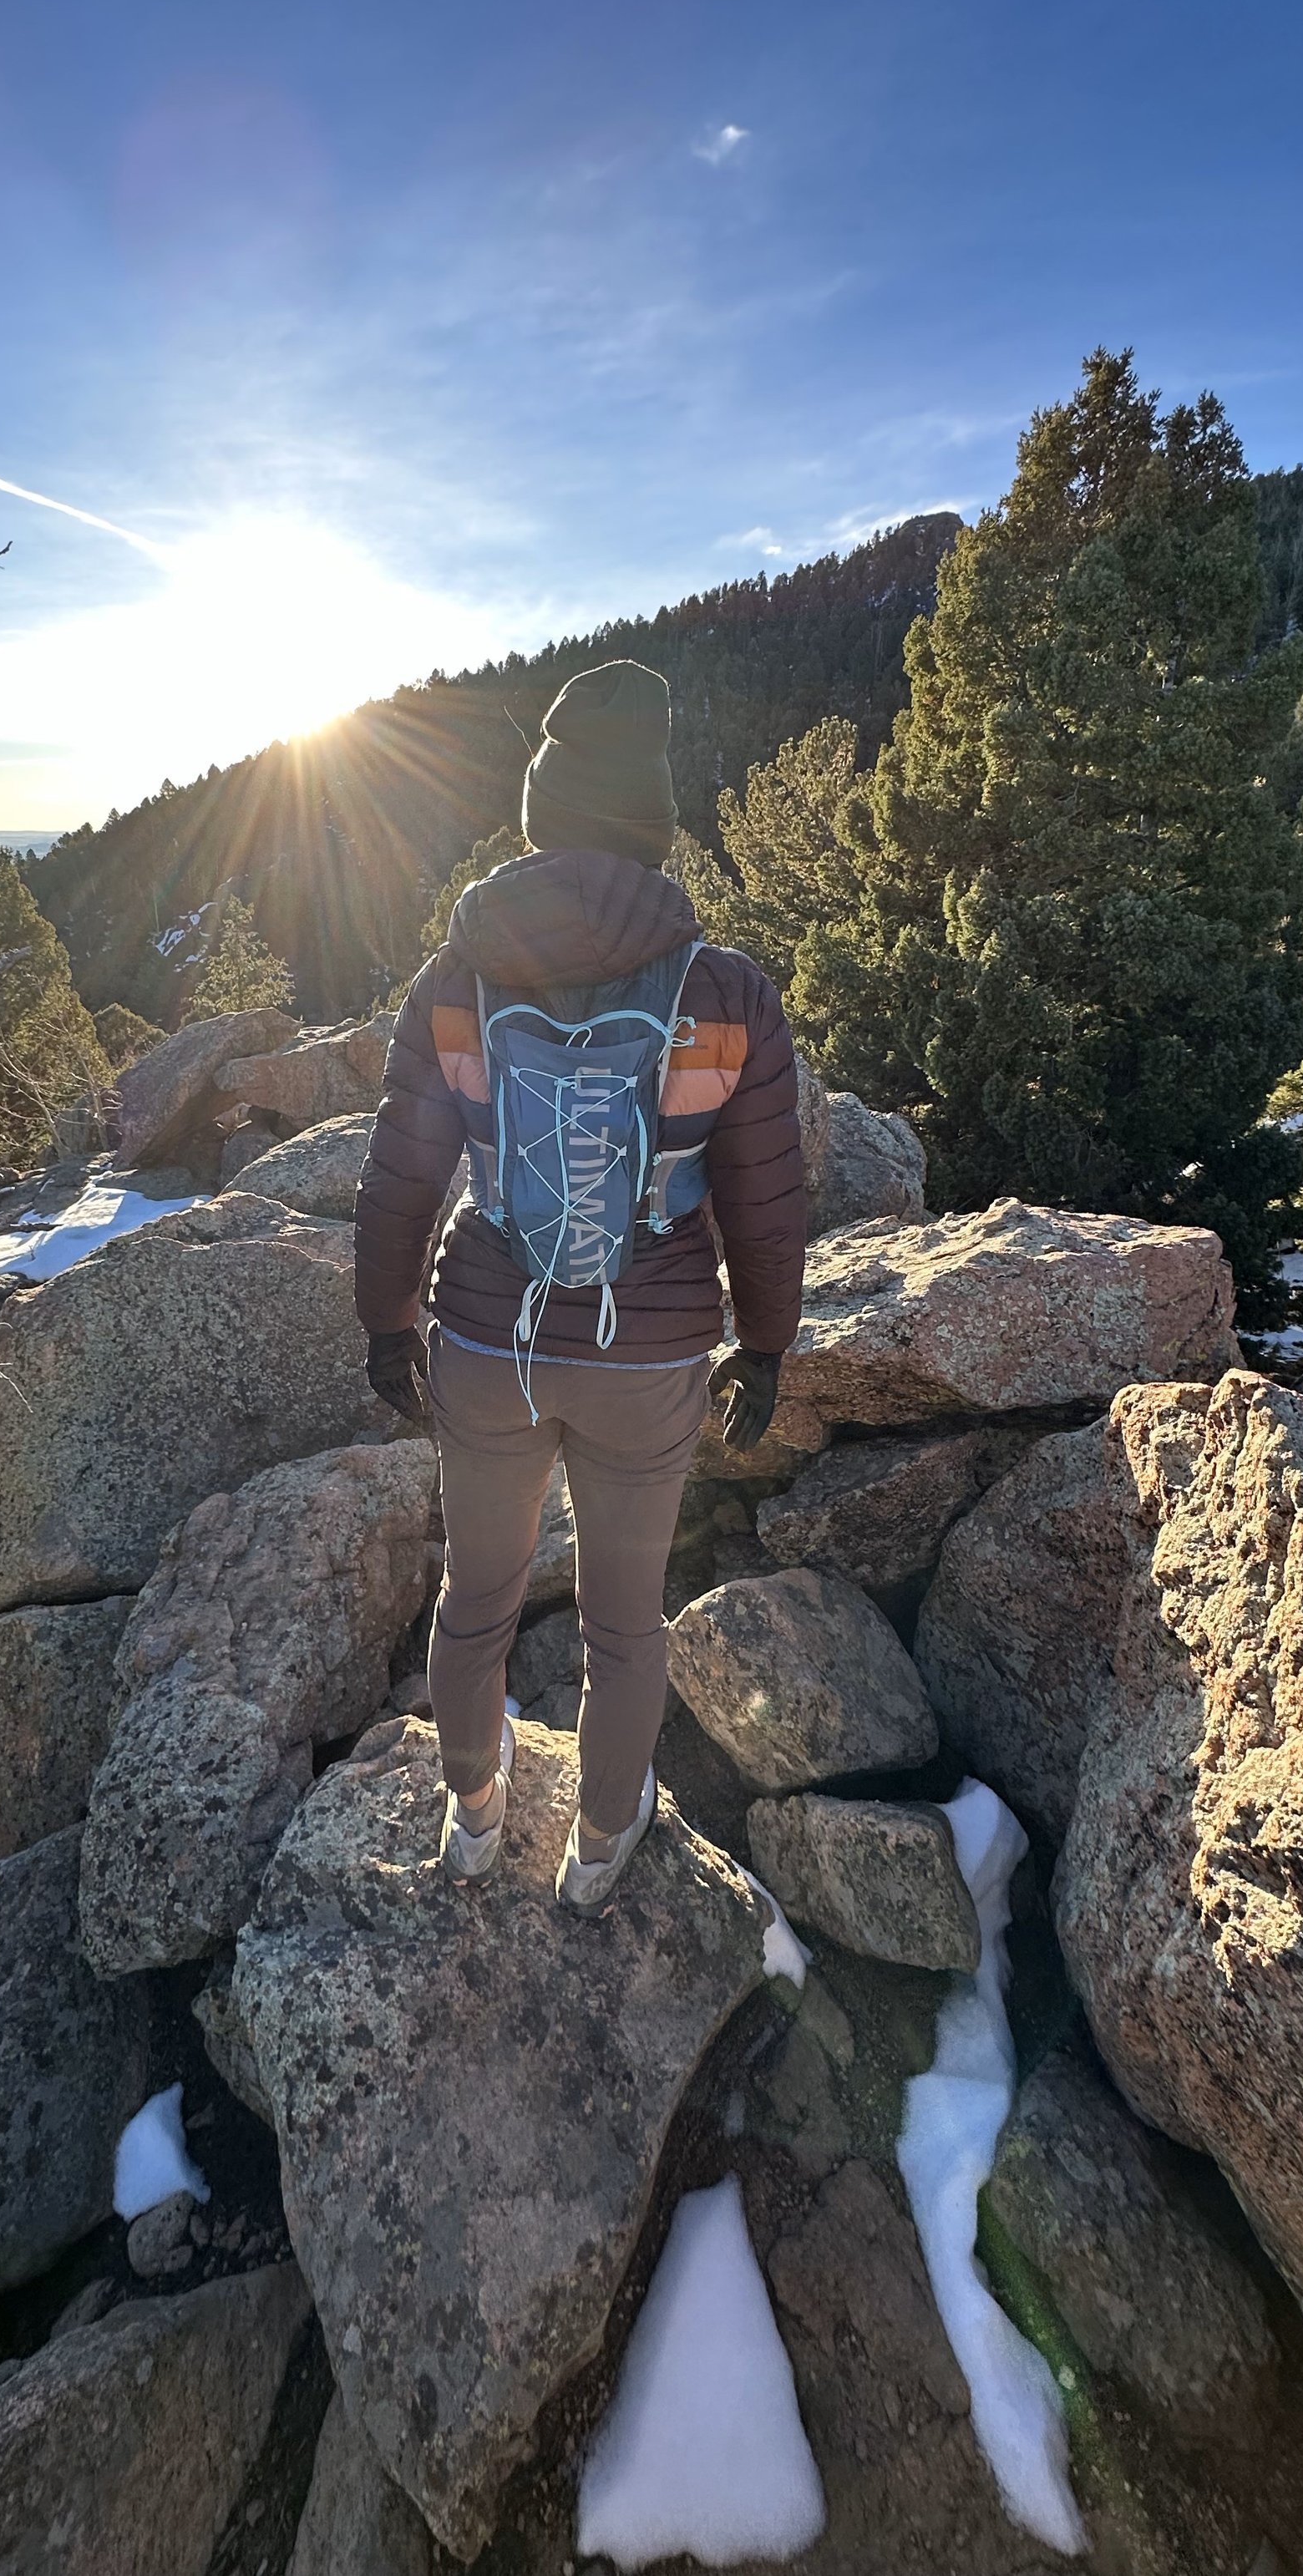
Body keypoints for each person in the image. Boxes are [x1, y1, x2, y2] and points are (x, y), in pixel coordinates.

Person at [352, 657, 807, 1911]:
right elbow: (766, 1196)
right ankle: (603, 1840)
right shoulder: (725, 992)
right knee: (624, 1619)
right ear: (653, 823)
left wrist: (387, 1322)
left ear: (539, 817)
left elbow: (402, 1170)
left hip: (488, 1340)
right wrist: (766, 1343)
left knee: (475, 1599)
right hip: (647, 1354)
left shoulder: (457, 979)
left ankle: (474, 1813)